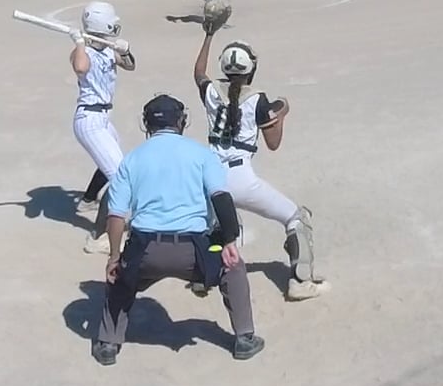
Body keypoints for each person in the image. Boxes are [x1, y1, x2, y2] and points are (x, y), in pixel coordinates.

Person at [92, 93, 264, 366]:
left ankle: (108, 344)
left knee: (119, 277)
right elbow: (221, 198)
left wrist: (114, 257)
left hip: (145, 251)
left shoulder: (132, 160)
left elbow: (115, 216)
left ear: (146, 124)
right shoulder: (202, 154)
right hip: (194, 252)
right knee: (233, 268)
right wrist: (229, 241)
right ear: (182, 121)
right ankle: (245, 338)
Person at [192, 32, 326, 301]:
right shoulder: (258, 100)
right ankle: (301, 281)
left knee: (218, 224)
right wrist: (281, 114)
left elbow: (199, 73)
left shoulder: (211, 91)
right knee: (297, 218)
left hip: (210, 177)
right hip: (241, 178)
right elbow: (273, 143)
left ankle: (203, 275)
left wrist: (208, 35)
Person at [69, 2, 136, 254]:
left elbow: (130, 65)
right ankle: (99, 237)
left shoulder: (108, 49)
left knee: (113, 161)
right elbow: (80, 67)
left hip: (104, 118)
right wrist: (79, 43)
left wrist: (126, 51)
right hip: (89, 119)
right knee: (120, 177)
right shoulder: (82, 52)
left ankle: (88, 200)